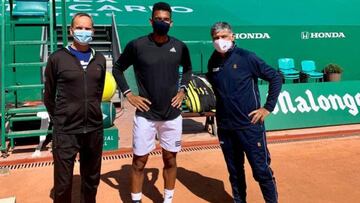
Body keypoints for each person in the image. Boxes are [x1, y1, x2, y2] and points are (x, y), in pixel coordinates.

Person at [112, 2, 192, 203]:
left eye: (165, 19)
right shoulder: (137, 45)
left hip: (172, 115)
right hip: (146, 116)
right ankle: (136, 200)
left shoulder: (179, 46)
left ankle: (167, 200)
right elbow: (117, 68)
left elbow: (188, 70)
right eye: (158, 19)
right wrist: (129, 94)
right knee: (139, 162)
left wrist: (183, 90)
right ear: (151, 20)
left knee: (170, 160)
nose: (162, 22)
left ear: (171, 23)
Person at [206, 22, 282, 203]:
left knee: (261, 171)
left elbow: (275, 77)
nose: (220, 41)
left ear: (232, 36)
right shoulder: (212, 61)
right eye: (216, 38)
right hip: (226, 127)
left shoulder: (246, 57)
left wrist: (268, 107)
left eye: (223, 36)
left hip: (250, 126)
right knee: (235, 173)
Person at [44, 12, 106, 203]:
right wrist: (61, 119)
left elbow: (98, 92)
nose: (83, 31)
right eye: (79, 28)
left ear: (93, 31)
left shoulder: (100, 60)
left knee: (91, 180)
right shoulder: (57, 58)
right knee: (63, 184)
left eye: (87, 28)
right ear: (71, 30)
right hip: (66, 131)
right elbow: (48, 95)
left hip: (93, 129)